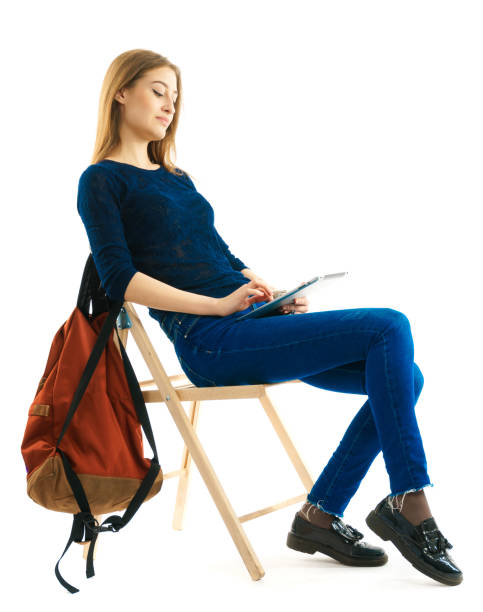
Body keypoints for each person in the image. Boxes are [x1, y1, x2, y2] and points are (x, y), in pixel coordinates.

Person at [77, 49, 462, 586]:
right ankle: (408, 500)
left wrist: (269, 293)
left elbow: (220, 256)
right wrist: (217, 306)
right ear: (122, 92)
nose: (169, 105)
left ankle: (319, 516)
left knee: (406, 375)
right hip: (209, 340)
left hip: (249, 324)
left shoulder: (176, 177)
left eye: (175, 96)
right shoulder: (101, 181)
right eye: (157, 91)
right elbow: (120, 280)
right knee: (389, 325)